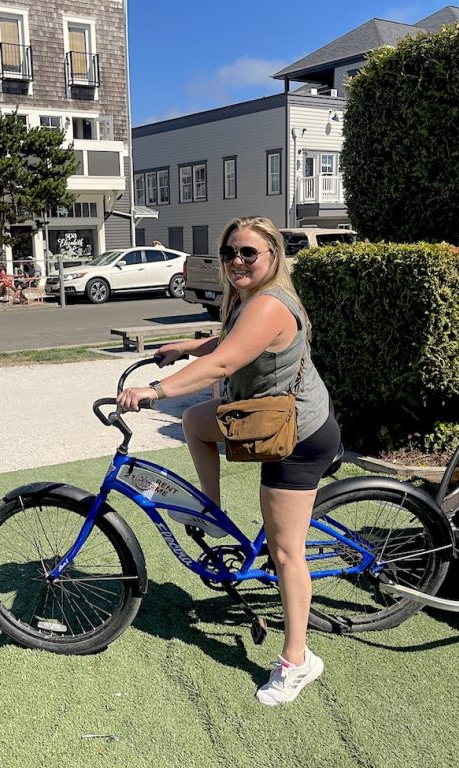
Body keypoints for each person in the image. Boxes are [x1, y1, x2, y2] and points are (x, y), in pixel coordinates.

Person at [116, 215, 341, 706]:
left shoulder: (270, 304)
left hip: (296, 434)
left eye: (248, 253)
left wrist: (154, 392)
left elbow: (223, 364)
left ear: (272, 257)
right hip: (265, 417)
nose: (237, 261)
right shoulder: (246, 300)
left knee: (285, 554)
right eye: (229, 253)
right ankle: (212, 512)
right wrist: (185, 346)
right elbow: (227, 345)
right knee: (198, 422)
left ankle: (298, 661)